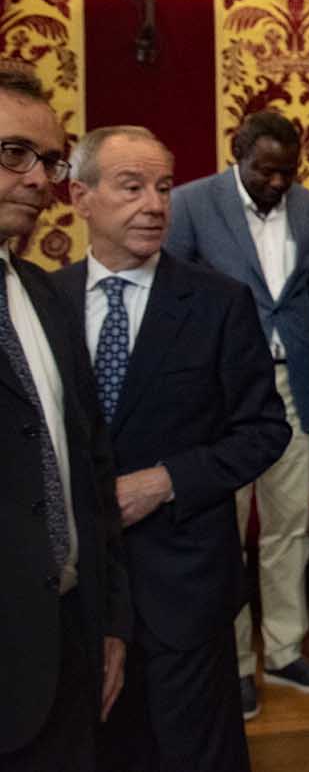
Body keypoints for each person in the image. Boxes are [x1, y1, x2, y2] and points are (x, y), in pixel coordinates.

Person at [54, 126, 289, 772]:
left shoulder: (219, 302)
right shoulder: (46, 303)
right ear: (80, 197)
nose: (156, 205)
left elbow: (264, 431)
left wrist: (165, 481)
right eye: (131, 187)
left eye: (163, 187)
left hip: (185, 589)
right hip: (78, 593)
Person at [166, 110, 309, 718]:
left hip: (292, 383)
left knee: (289, 525)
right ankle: (235, 663)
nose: (277, 183)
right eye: (265, 170)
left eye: (288, 171)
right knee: (226, 529)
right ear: (237, 155)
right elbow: (173, 294)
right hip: (220, 392)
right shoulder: (191, 204)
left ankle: (285, 651)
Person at [0, 69, 129, 772]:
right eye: (14, 153)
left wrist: (108, 623)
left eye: (49, 161)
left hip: (68, 653)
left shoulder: (46, 297)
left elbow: (91, 467)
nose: (37, 179)